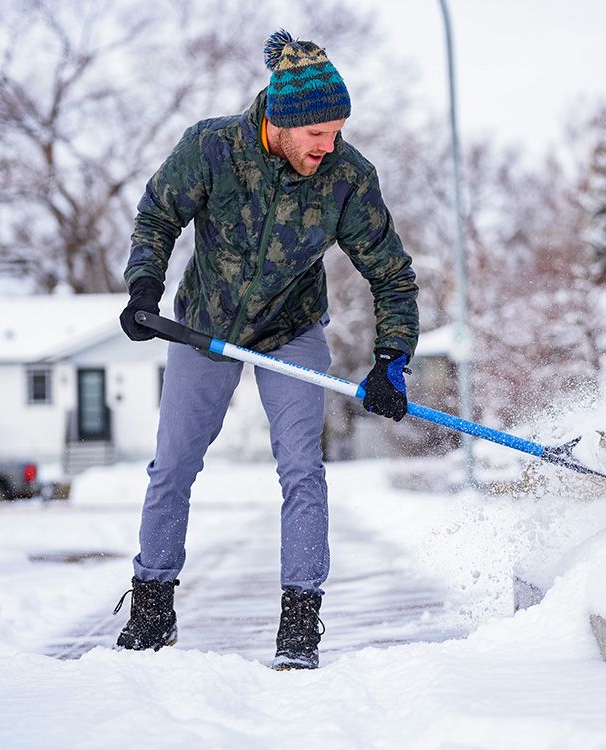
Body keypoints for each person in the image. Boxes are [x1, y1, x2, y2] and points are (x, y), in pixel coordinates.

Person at [112, 29, 419, 670]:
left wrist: (392, 359)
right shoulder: (212, 148)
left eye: (337, 133)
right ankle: (151, 606)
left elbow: (391, 273)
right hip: (204, 325)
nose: (328, 146)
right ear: (280, 121)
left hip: (292, 330)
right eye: (318, 135)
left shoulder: (347, 178)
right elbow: (157, 215)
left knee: (302, 470)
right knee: (172, 467)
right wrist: (145, 287)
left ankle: (300, 623)